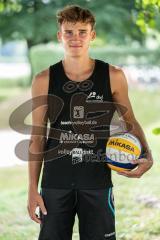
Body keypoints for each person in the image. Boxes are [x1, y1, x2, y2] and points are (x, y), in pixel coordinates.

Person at [27, 5, 153, 240]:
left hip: (97, 181)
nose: (75, 38)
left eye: (82, 32)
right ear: (59, 36)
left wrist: (147, 154)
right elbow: (37, 137)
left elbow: (130, 120)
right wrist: (32, 189)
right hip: (55, 183)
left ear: (92, 35)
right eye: (69, 32)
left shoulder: (113, 75)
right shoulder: (43, 80)